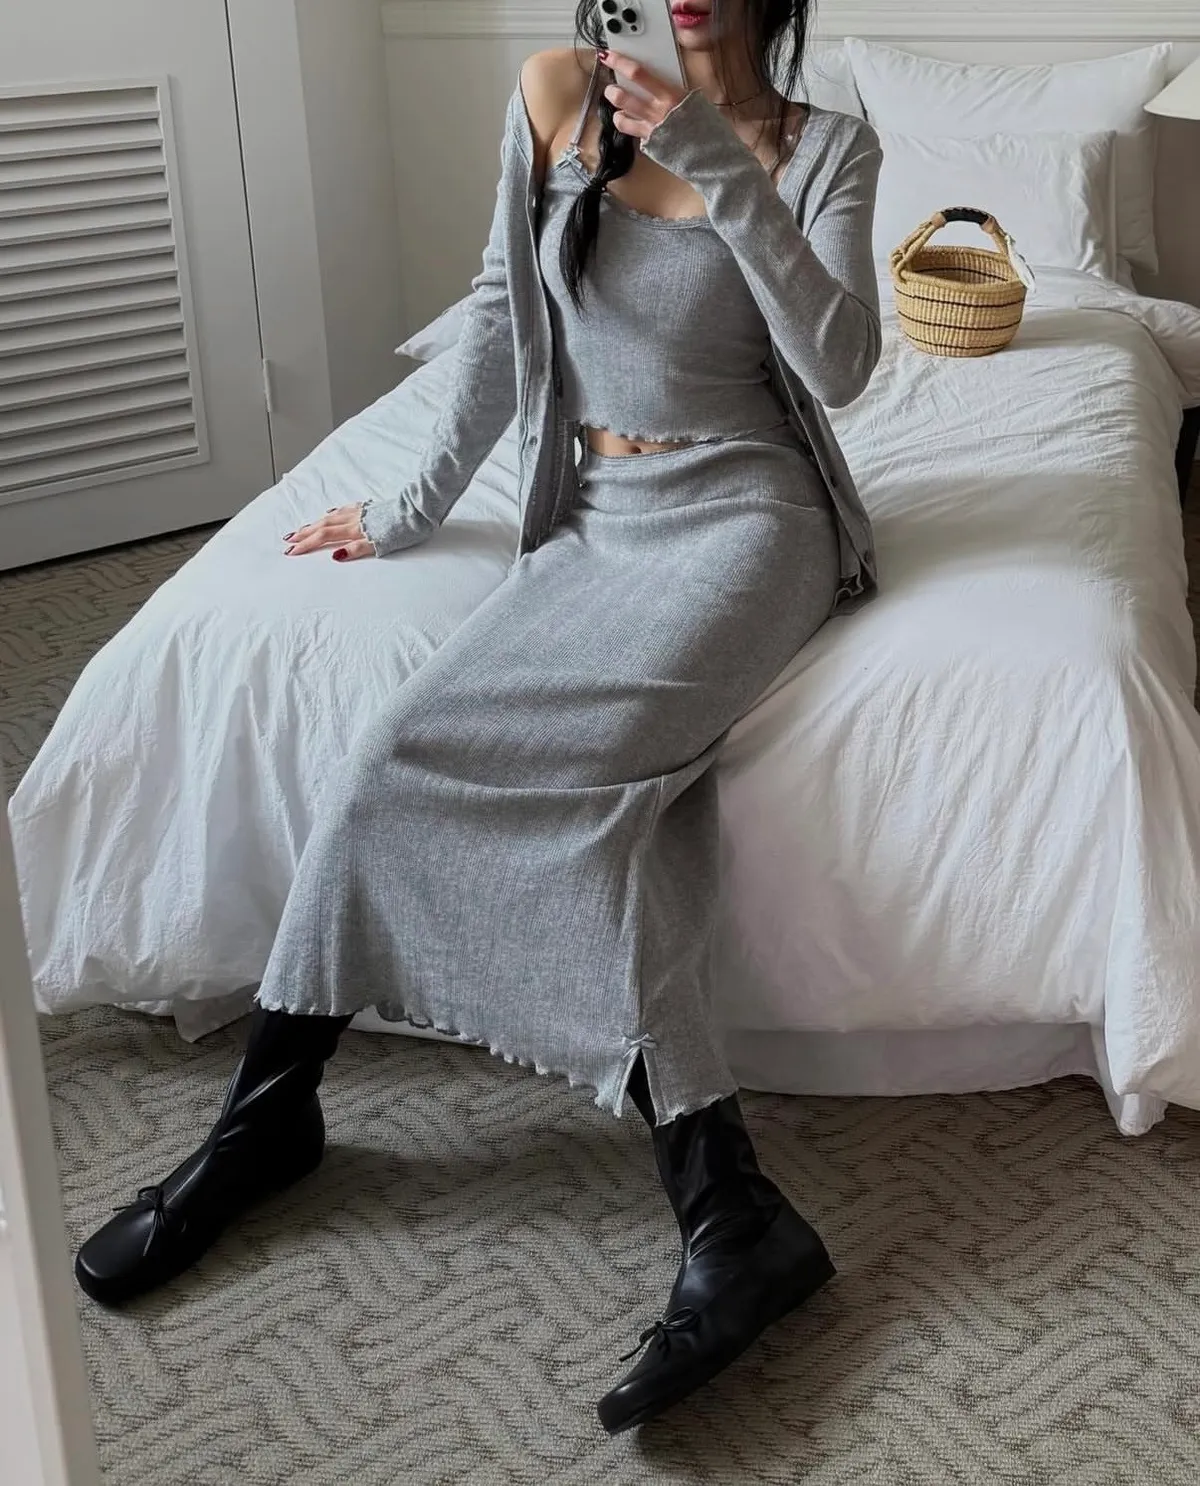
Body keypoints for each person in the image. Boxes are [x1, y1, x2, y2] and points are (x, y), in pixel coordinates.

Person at [75, 0, 882, 1435]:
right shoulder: (557, 90)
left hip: (749, 521)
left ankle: (730, 1217)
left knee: (584, 782)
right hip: (597, 512)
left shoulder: (825, 150)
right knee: (392, 753)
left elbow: (843, 367)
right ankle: (273, 1118)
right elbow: (506, 322)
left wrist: (721, 161)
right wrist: (404, 509)